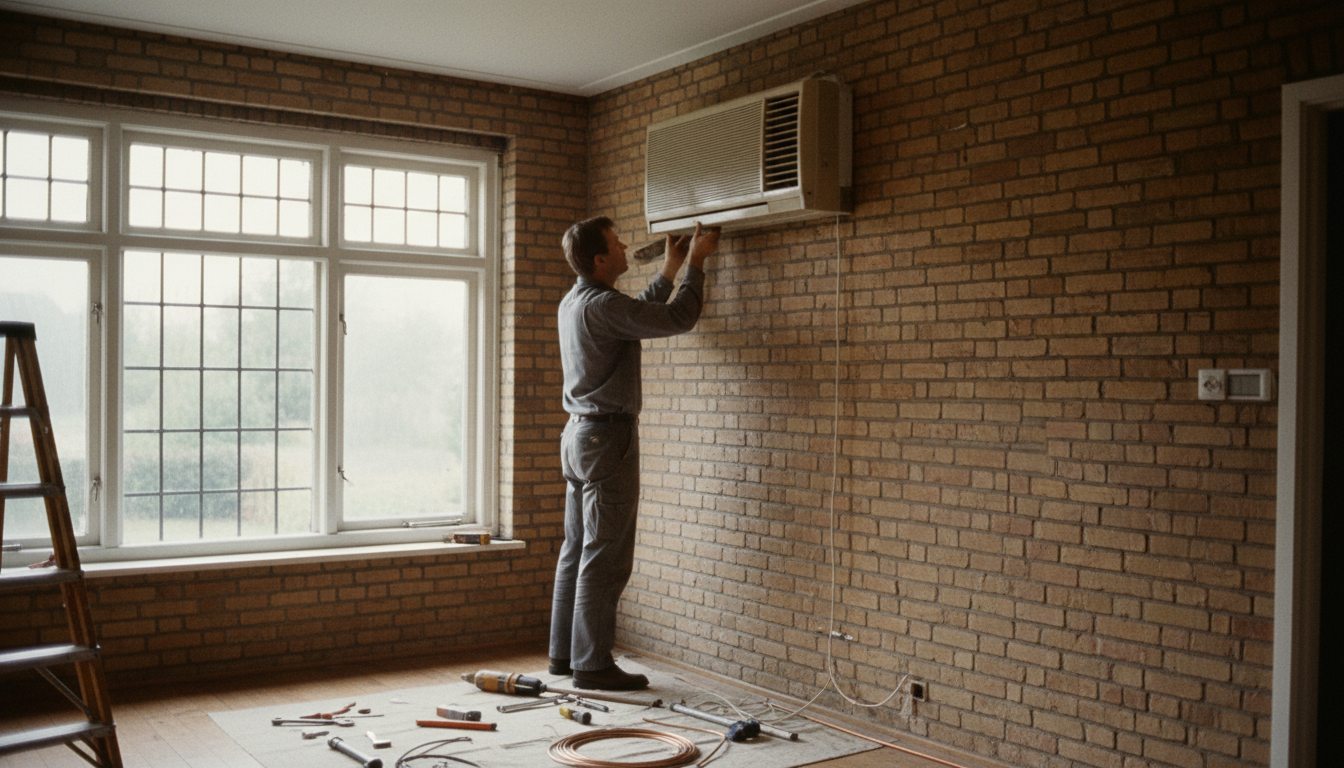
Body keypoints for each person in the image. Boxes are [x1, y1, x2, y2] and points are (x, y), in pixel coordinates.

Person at [549, 216, 719, 690]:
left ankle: (564, 657)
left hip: (579, 437)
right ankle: (592, 666)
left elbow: (633, 313)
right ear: (601, 260)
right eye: (617, 243)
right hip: (606, 439)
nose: (625, 247)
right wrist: (697, 265)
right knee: (605, 556)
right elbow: (676, 319)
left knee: (578, 549)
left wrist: (668, 270)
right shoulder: (600, 304)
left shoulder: (577, 300)